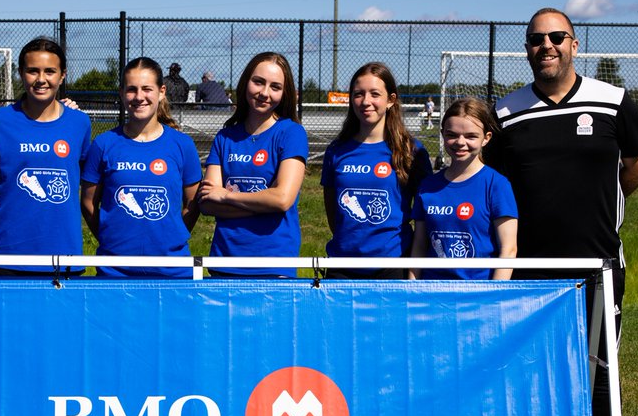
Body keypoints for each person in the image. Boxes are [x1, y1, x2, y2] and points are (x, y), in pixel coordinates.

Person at [490, 7, 638, 416]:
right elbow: (493, 186)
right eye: (537, 39)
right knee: (533, 366)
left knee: (600, 366)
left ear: (575, 44)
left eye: (557, 37)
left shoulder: (612, 101)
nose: (547, 46)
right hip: (531, 269)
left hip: (597, 263)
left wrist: (604, 205)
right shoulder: (506, 113)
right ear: (527, 48)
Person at [0, 37, 93, 276]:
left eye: (50, 71)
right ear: (21, 73)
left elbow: (92, 187)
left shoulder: (79, 123)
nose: (41, 79)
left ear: (62, 75)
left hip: (63, 257)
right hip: (8, 258)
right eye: (32, 71)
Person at [81, 57, 202, 277]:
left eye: (147, 89)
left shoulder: (182, 144)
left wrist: (172, 238)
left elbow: (193, 204)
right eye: (131, 89)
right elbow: (88, 204)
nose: (139, 97)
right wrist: (111, 240)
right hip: (116, 271)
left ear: (161, 91)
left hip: (172, 271)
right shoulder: (103, 144)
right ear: (121, 93)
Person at [199, 51, 307, 277]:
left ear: (284, 93)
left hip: (273, 265)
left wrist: (227, 196)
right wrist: (262, 203)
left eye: (275, 87)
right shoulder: (225, 137)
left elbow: (281, 199)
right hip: (225, 262)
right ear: (246, 81)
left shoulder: (291, 133)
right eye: (258, 82)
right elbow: (208, 203)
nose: (264, 93)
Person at [321, 62, 432, 278]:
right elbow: (333, 212)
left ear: (390, 100)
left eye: (374, 94)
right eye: (358, 94)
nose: (366, 102)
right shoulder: (336, 150)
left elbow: (426, 212)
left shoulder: (412, 151)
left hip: (392, 264)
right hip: (342, 266)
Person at [411, 97, 517, 280]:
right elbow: (419, 246)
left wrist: (493, 296)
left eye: (471, 136)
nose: (460, 142)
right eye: (452, 135)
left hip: (478, 295)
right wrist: (412, 289)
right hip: (432, 293)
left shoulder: (496, 185)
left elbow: (508, 249)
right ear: (443, 134)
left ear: (486, 138)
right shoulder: (428, 186)